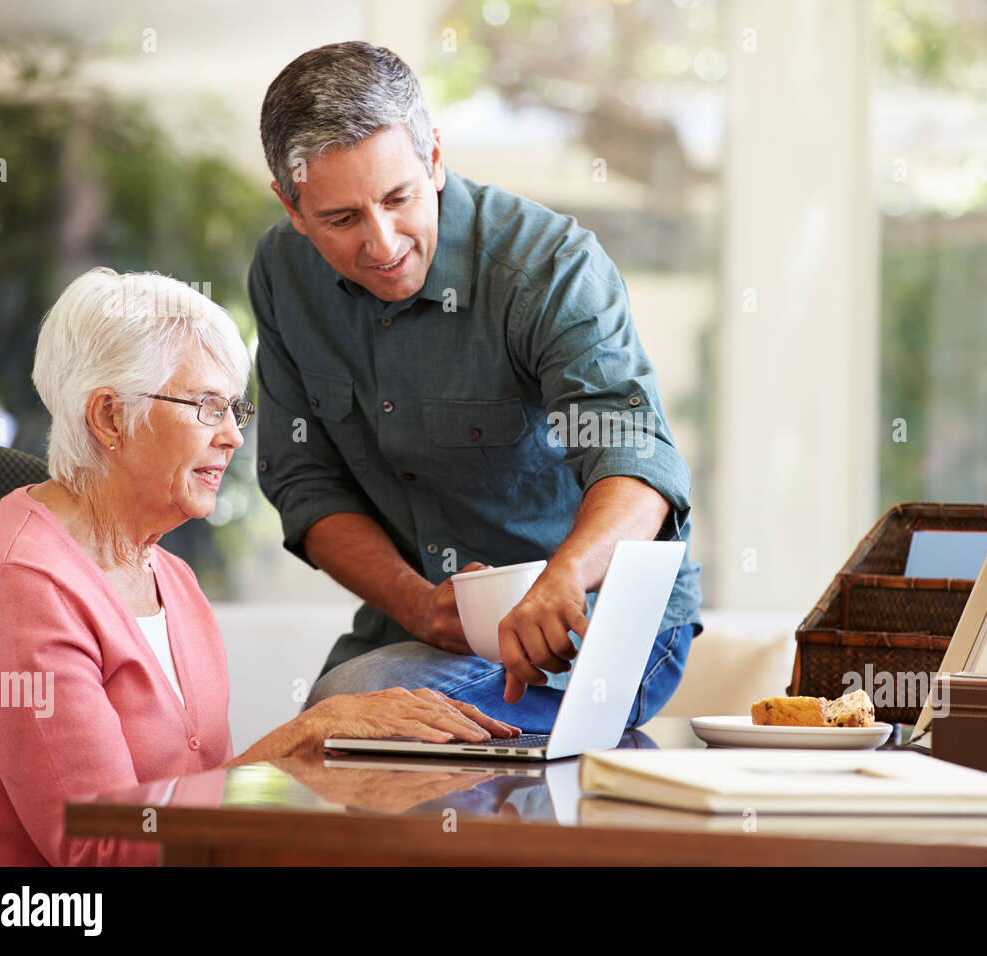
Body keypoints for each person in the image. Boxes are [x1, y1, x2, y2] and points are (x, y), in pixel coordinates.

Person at [0, 269, 517, 866]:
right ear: (109, 418)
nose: (232, 437)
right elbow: (107, 851)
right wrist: (297, 741)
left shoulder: (171, 577)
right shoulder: (22, 584)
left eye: (235, 408)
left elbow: (200, 793)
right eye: (206, 407)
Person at [251, 42, 702, 731]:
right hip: (412, 629)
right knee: (329, 738)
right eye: (341, 219)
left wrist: (564, 575)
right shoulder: (282, 275)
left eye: (399, 198)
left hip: (603, 622)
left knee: (347, 722)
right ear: (291, 204)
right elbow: (305, 483)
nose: (382, 242)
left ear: (434, 157)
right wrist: (414, 603)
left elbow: (635, 458)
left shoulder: (547, 266)